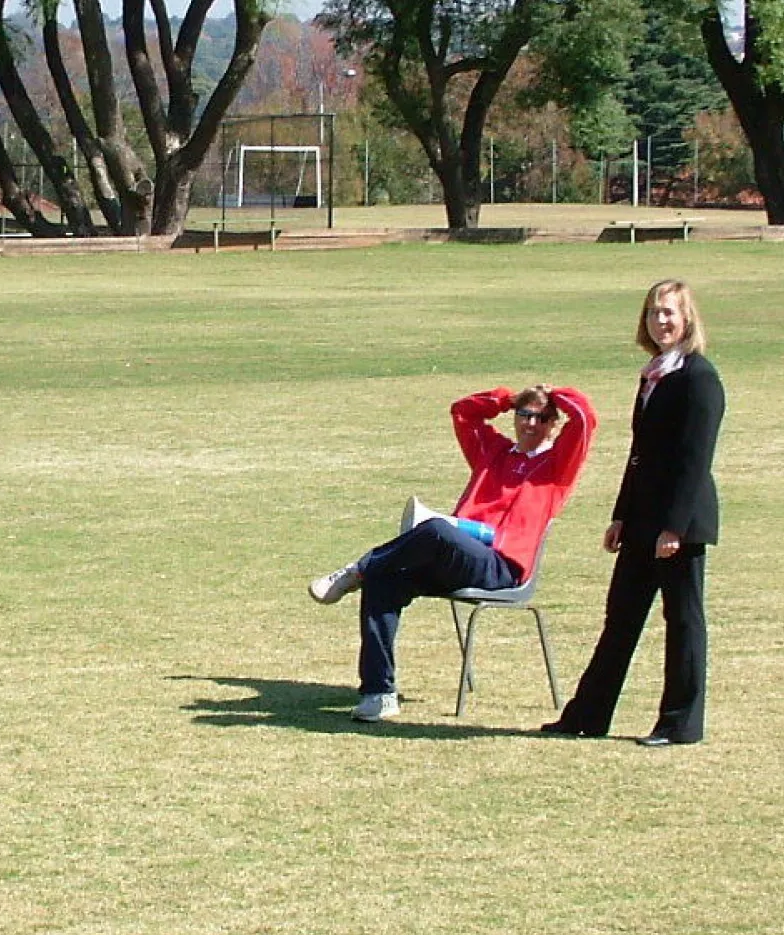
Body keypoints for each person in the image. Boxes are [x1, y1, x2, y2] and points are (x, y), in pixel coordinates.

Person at [309, 383, 596, 721]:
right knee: (383, 580)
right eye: (525, 414)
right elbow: (463, 411)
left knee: (435, 530)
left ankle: (357, 569)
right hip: (457, 557)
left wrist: (556, 393)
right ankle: (379, 692)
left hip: (502, 567)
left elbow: (586, 418)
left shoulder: (559, 464)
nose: (532, 424)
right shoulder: (494, 453)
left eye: (543, 418)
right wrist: (506, 399)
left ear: (553, 423)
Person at [542, 279, 724, 746]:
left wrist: (674, 527)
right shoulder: (653, 375)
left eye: (668, 312)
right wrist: (621, 515)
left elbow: (694, 459)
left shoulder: (698, 378)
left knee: (683, 623)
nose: (660, 321)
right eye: (652, 313)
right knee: (620, 620)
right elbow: (640, 453)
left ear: (687, 319)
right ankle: (587, 715)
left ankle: (680, 724)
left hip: (677, 525)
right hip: (641, 521)